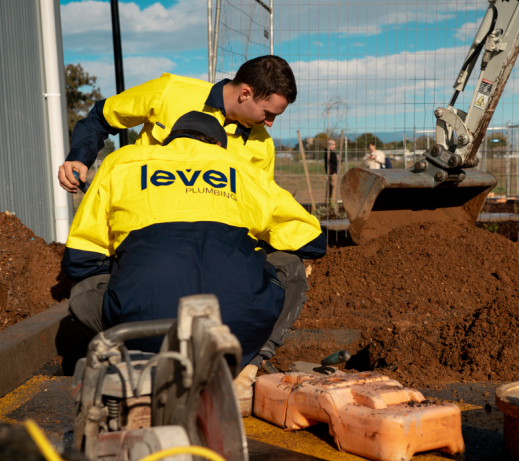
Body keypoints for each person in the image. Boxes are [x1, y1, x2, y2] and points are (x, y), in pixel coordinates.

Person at [62, 112, 327, 416]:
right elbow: (313, 241)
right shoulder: (244, 170)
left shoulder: (122, 162)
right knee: (291, 266)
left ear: (169, 140)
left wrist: (127, 267)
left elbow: (79, 261)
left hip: (145, 330)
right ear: (218, 144)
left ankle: (138, 372)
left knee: (82, 292)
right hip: (234, 335)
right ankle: (243, 375)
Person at [58, 55, 297, 192]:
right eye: (268, 113)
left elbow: (258, 202)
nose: (270, 123)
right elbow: (101, 117)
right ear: (245, 93)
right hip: (137, 217)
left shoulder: (263, 146)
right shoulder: (170, 92)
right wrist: (79, 157)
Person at [323, 139, 339, 206]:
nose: (336, 145)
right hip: (333, 173)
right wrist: (339, 159)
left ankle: (330, 203)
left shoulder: (326, 152)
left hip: (330, 172)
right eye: (334, 144)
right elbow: (335, 161)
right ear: (330, 145)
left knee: (330, 188)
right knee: (334, 189)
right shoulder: (330, 153)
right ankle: (332, 204)